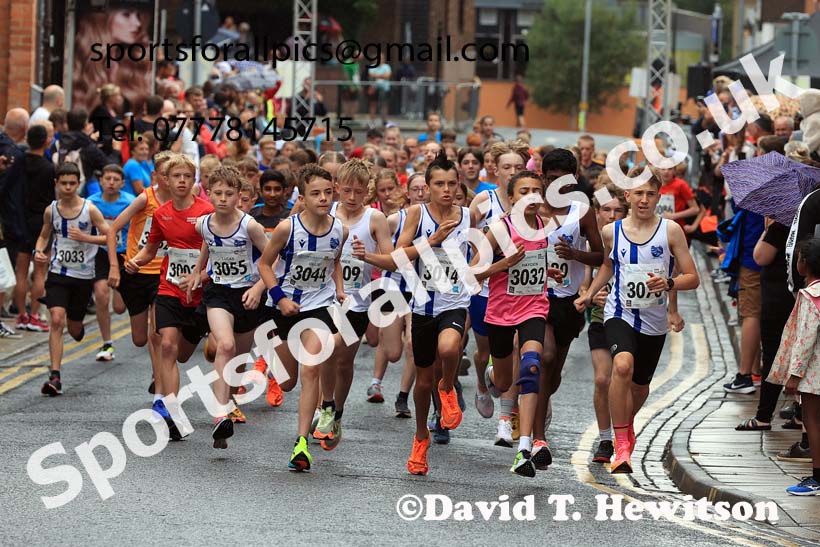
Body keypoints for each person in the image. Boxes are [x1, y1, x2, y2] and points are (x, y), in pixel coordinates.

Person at [575, 168, 699, 474]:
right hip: (620, 311)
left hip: (654, 321)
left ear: (659, 197)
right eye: (638, 193)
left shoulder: (670, 231)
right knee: (622, 366)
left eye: (650, 194)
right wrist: (590, 293)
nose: (644, 200)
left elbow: (692, 277)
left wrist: (669, 285)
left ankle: (624, 427)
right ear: (627, 195)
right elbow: (607, 265)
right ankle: (621, 446)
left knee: (640, 387)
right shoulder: (611, 232)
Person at [355, 151, 469, 476]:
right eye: (439, 184)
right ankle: (421, 436)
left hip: (454, 302)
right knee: (422, 381)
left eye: (451, 183)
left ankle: (447, 387)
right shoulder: (417, 215)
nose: (445, 190)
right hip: (421, 304)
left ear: (458, 185)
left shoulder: (468, 216)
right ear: (428, 186)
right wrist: (430, 242)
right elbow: (395, 259)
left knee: (448, 349)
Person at [257, 164, 347, 471]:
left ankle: (301, 442)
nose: (323, 198)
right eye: (315, 194)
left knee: (312, 369)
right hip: (284, 308)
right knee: (288, 382)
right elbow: (265, 265)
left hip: (318, 308)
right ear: (303, 198)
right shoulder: (287, 228)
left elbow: (332, 261)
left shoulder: (340, 229)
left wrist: (340, 288)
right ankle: (271, 363)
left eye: (327, 192)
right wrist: (279, 298)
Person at [473, 170, 562, 476]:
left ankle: (525, 447)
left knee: (531, 367)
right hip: (500, 313)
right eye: (524, 191)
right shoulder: (499, 229)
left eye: (537, 191)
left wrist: (550, 273)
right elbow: (473, 272)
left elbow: (535, 262)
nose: (531, 196)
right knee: (502, 382)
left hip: (534, 308)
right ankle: (491, 375)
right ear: (511, 197)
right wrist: (504, 263)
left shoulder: (542, 226)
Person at [125, 154, 213, 440]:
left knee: (184, 354)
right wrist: (135, 261)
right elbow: (151, 249)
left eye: (187, 176)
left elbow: (219, 252)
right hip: (169, 288)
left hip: (199, 295)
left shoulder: (206, 212)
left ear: (193, 179)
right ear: (167, 179)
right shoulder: (160, 213)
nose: (182, 181)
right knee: (167, 346)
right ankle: (172, 412)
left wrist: (201, 275)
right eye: (176, 176)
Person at [186, 166, 269, 444]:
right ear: (209, 194)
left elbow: (273, 259)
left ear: (239, 196)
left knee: (239, 360)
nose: (222, 198)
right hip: (218, 292)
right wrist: (198, 272)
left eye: (229, 194)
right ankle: (220, 414)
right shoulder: (203, 223)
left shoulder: (250, 226)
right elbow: (207, 246)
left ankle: (228, 403)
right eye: (217, 193)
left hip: (247, 295)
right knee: (225, 345)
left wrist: (259, 287)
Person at [532, 148, 604, 468]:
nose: (555, 186)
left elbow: (601, 257)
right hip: (535, 297)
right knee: (544, 358)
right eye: (549, 179)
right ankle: (537, 440)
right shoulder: (533, 210)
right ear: (542, 178)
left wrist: (575, 255)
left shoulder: (582, 211)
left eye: (562, 180)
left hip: (567, 301)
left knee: (554, 373)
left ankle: (538, 402)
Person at [316, 159, 393, 450]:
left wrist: (367, 257)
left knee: (344, 362)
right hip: (324, 299)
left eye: (357, 192)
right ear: (337, 188)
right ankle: (325, 407)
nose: (351, 197)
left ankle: (337, 412)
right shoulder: (327, 214)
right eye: (346, 190)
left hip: (358, 302)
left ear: (366, 192)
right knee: (325, 352)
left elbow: (392, 260)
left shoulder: (374, 219)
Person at [470, 140, 530, 444]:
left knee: (522, 349)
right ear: (495, 170)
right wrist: (482, 244)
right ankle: (484, 382)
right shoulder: (485, 200)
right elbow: (464, 235)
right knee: (484, 353)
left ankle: (506, 419)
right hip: (486, 293)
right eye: (507, 167)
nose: (512, 171)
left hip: (521, 294)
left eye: (518, 167)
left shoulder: (533, 205)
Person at [34, 162, 110, 396]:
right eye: (63, 183)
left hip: (83, 277)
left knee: (74, 328)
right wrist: (39, 250)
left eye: (72, 183)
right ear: (56, 184)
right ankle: (55, 376)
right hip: (58, 273)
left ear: (79, 184)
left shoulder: (90, 209)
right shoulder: (52, 210)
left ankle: (76, 328)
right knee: (56, 319)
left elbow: (109, 236)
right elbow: (44, 235)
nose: (68, 187)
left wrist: (86, 238)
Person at [107, 151, 172, 401]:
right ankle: (158, 374)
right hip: (135, 272)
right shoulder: (145, 199)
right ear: (155, 175)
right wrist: (115, 266)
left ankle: (160, 388)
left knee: (158, 333)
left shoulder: (182, 201)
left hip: (163, 275)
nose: (171, 179)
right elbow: (113, 230)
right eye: (165, 174)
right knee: (139, 338)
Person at [370, 173, 429, 416]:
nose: (421, 193)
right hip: (393, 287)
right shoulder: (396, 219)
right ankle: (377, 376)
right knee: (394, 352)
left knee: (413, 345)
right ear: (408, 193)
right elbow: (373, 235)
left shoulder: (439, 219)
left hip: (422, 289)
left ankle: (403, 397)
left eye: (425, 188)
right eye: (416, 189)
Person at [766, 239, 820, 495]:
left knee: (813, 421)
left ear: (804, 265)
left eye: (797, 258)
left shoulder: (810, 296)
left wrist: (794, 375)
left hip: (813, 374)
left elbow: (805, 339)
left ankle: (817, 477)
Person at [579, 185, 628, 463]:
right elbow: (584, 284)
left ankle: (624, 435)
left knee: (628, 382)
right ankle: (606, 440)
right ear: (597, 213)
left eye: (617, 210)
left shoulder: (634, 239)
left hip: (630, 319)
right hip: (600, 317)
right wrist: (589, 294)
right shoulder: (592, 244)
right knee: (602, 379)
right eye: (606, 210)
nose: (611, 215)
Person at [88, 164, 134, 361]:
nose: (111, 183)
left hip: (124, 253)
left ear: (122, 183)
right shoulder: (91, 203)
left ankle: (120, 297)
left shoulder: (130, 202)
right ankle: (107, 343)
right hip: (101, 252)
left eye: (116, 179)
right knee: (100, 294)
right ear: (101, 181)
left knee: (120, 308)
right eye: (108, 179)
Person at [13, 125, 55, 332]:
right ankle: (35, 315)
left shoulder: (19, 163)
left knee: (21, 271)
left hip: (20, 219)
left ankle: (21, 315)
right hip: (41, 222)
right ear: (46, 141)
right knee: (40, 271)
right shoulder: (48, 168)